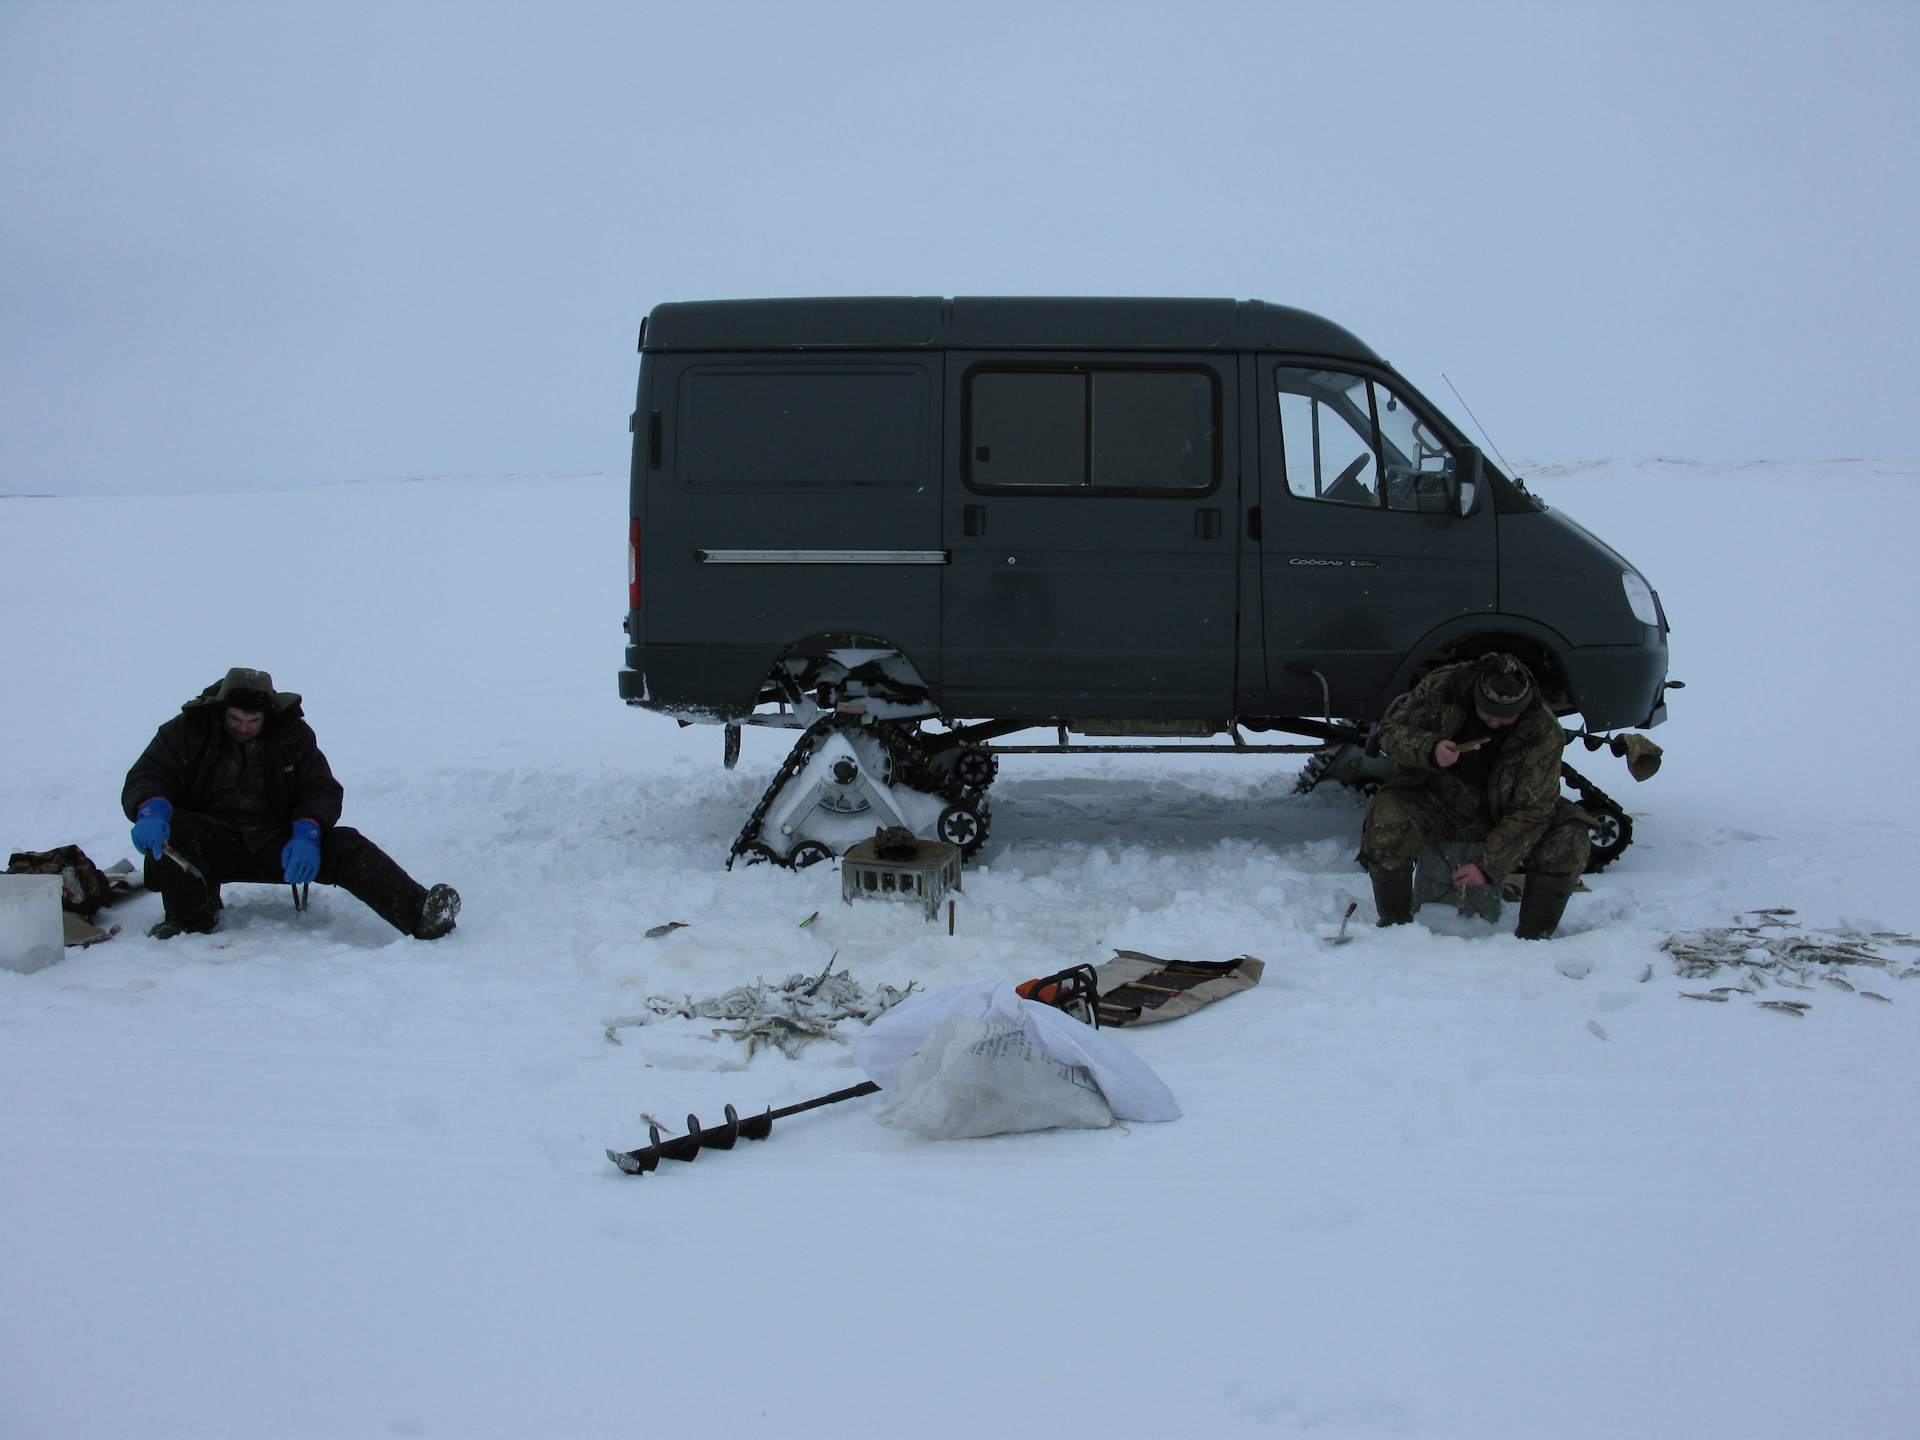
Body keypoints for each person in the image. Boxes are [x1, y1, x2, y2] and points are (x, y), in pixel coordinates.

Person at [122, 668, 460, 941]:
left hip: (278, 844)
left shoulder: (293, 736)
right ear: (221, 708)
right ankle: (189, 922)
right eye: (236, 718)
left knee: (346, 843)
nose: (243, 727)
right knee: (174, 829)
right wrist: (150, 809)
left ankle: (420, 915)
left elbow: (321, 789)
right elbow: (149, 774)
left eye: (252, 720)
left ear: (267, 715)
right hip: (207, 844)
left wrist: (309, 832)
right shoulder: (185, 731)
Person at [1359, 652, 1590, 940]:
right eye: (1488, 713)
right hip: (1437, 802)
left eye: (1505, 717)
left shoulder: (1544, 732)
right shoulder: (1444, 688)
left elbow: (1532, 811)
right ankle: (1395, 927)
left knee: (1570, 835)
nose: (1494, 723)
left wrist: (1489, 865)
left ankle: (1534, 940)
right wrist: (1429, 748)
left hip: (1501, 817)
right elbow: (1390, 733)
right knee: (1387, 814)